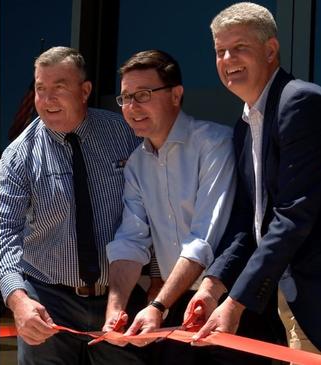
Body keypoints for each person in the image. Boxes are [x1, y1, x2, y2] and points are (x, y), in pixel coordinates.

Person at [102, 50, 276, 365]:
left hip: (228, 302)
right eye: (125, 97)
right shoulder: (136, 165)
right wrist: (115, 309)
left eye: (142, 95)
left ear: (176, 95)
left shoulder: (216, 142)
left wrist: (157, 306)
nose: (131, 107)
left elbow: (205, 237)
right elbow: (130, 242)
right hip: (173, 306)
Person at [187, 2, 321, 355]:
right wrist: (211, 287)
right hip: (290, 300)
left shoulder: (299, 102)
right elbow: (248, 222)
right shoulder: (244, 127)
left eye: (239, 47)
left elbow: (293, 215)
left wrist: (234, 303)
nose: (228, 58)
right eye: (220, 51)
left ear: (271, 50)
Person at [0, 46, 147, 364]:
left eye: (59, 88)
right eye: (41, 89)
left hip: (120, 296)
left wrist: (157, 288)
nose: (47, 99)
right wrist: (17, 299)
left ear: (84, 91)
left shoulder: (125, 135)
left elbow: (154, 208)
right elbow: (3, 232)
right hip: (47, 300)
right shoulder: (19, 155)